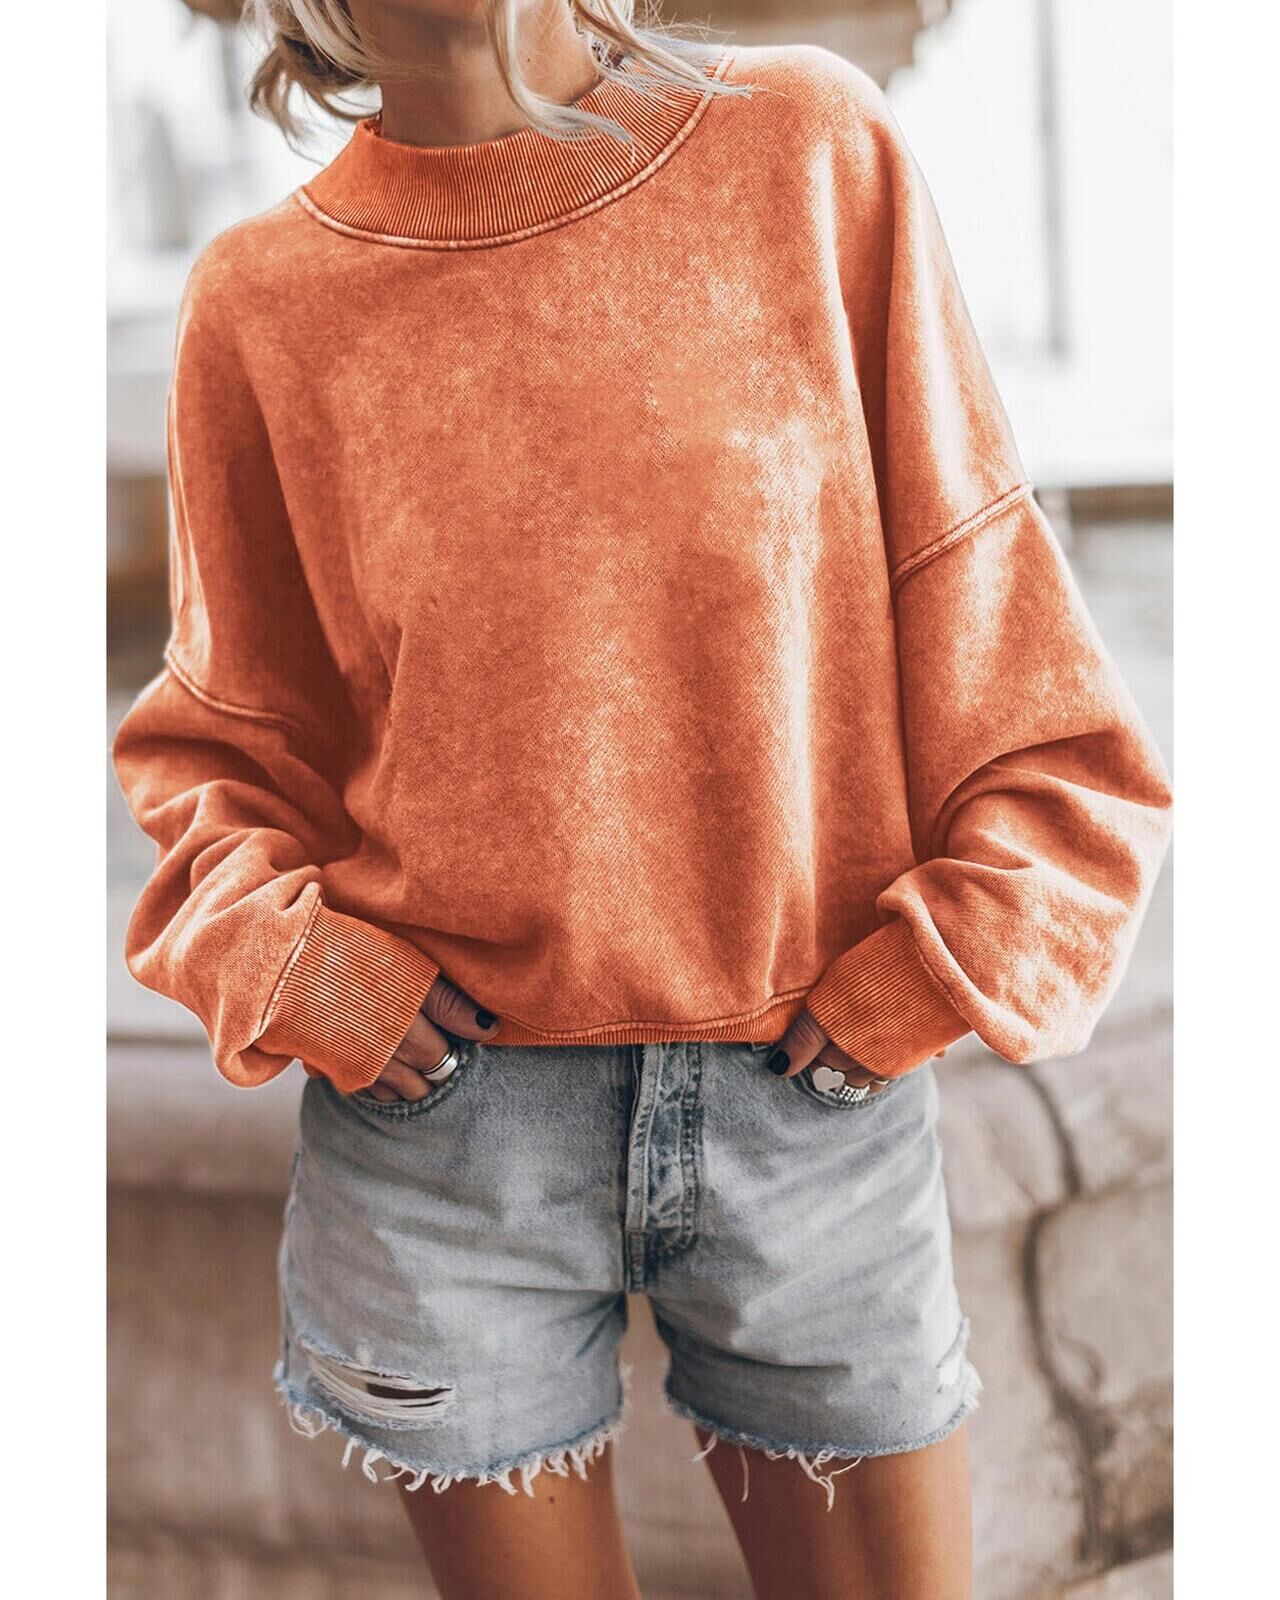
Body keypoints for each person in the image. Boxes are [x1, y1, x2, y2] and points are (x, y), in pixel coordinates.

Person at [111, 3, 1174, 1596]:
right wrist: (299, 966)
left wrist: (940, 966)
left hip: (808, 1106)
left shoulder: (808, 150)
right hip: (444, 1143)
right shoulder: (263, 302)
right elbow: (215, 754)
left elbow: (1006, 640)